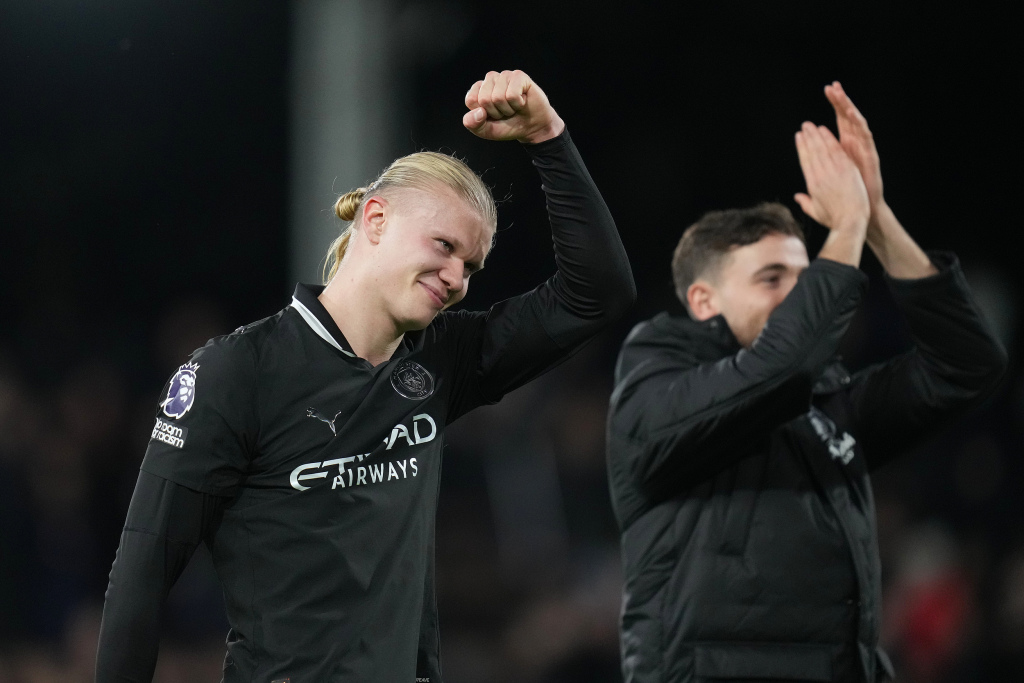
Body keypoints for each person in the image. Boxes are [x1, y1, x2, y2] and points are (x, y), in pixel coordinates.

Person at [96, 69, 635, 682]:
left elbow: (598, 293)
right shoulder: (236, 372)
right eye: (444, 246)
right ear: (375, 220)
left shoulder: (442, 359)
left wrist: (547, 137)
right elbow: (143, 569)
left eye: (471, 266)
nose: (457, 278)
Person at [605, 82, 1007, 683]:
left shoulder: (826, 404)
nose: (801, 294)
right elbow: (778, 369)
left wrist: (876, 219)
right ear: (703, 300)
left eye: (805, 277)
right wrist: (844, 230)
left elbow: (968, 365)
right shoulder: (655, 377)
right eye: (773, 278)